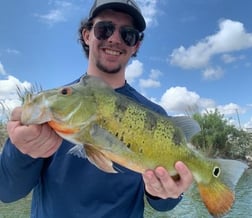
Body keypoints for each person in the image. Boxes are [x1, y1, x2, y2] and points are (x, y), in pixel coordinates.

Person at [0, 0, 194, 217]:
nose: (114, 38)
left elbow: (163, 205)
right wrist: (21, 151)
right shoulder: (55, 105)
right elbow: (7, 191)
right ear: (87, 35)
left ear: (135, 45)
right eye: (105, 29)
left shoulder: (156, 116)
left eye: (127, 34)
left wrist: (166, 192)